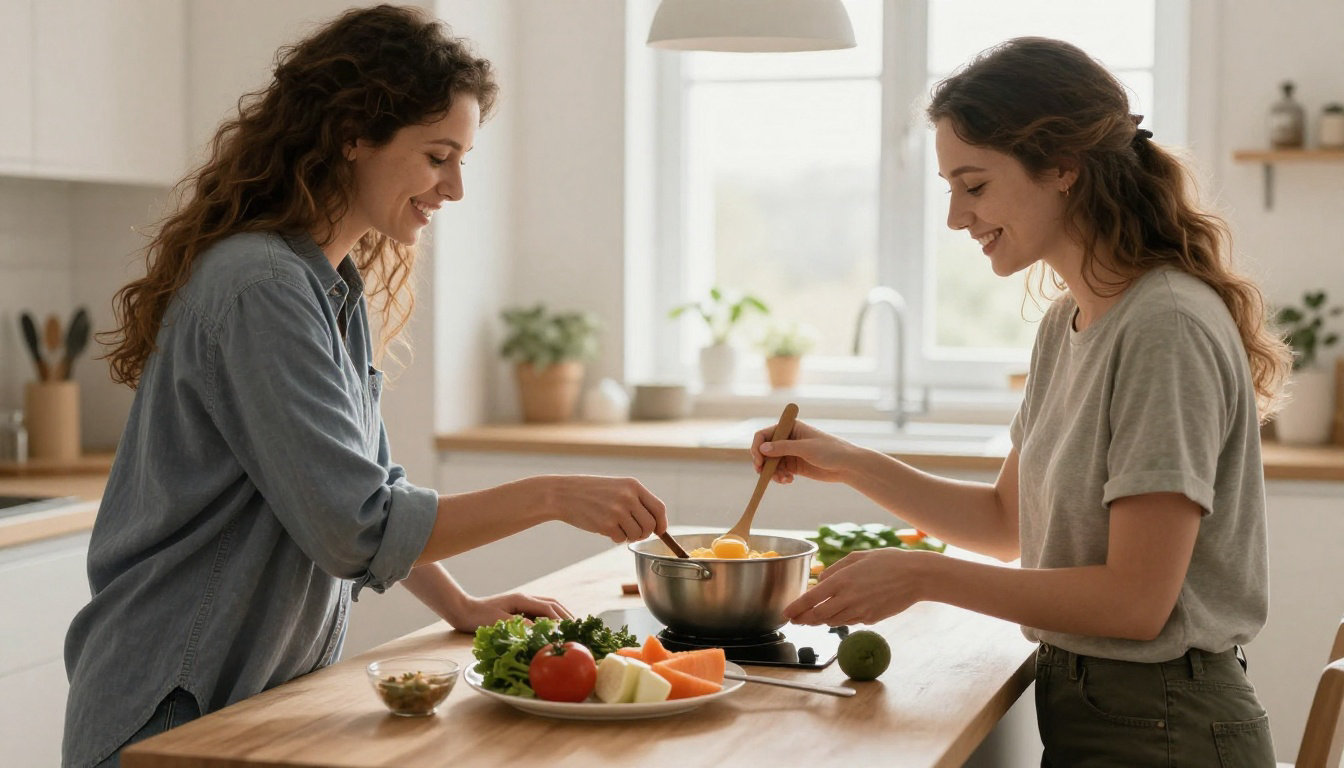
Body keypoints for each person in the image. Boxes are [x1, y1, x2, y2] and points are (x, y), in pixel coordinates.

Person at [61, 6, 667, 767]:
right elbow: (357, 527)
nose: (454, 189)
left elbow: (363, 487)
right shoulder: (262, 288)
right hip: (170, 707)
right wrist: (551, 495)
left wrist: (461, 606)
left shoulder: (326, 286)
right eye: (437, 156)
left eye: (463, 159)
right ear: (353, 135)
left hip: (238, 703)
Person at [758, 38, 1290, 766]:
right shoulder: (1068, 322)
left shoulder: (1163, 326)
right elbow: (1008, 524)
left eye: (973, 186)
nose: (954, 217)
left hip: (1168, 726)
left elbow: (1137, 604)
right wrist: (849, 462)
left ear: (1063, 168)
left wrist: (924, 576)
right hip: (1103, 710)